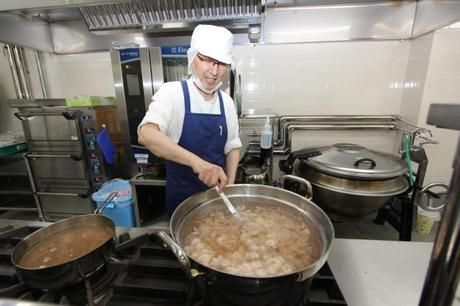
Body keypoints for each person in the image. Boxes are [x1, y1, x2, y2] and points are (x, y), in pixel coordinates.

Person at [138, 24, 241, 216]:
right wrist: (198, 163)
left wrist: (231, 186)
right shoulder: (172, 93)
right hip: (183, 202)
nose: (215, 70)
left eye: (221, 63)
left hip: (217, 199)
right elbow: (146, 134)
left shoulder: (226, 102)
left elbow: (233, 146)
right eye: (207, 60)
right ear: (193, 57)